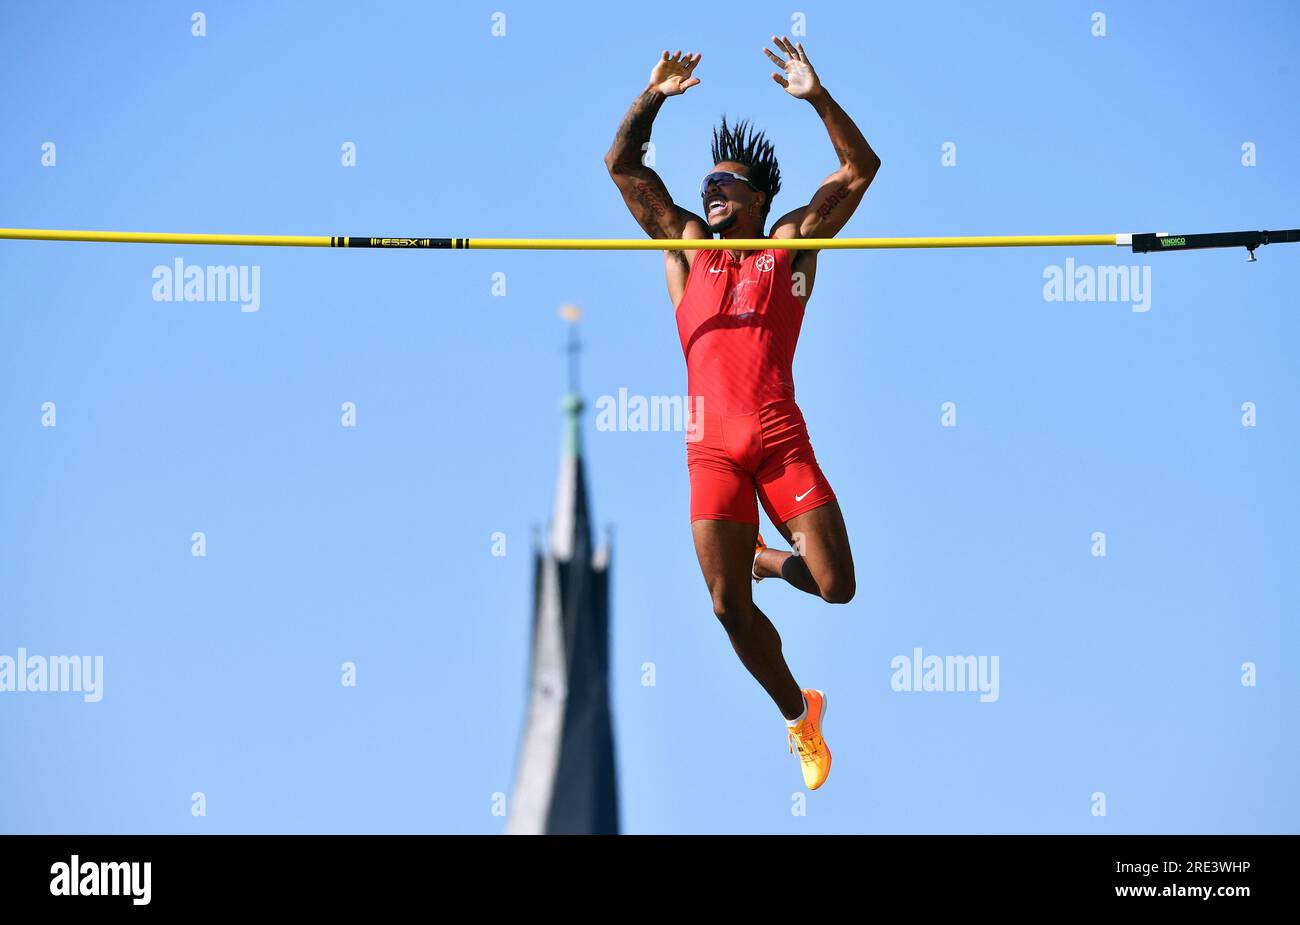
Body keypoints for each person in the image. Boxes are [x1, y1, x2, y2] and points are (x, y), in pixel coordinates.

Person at [604, 38, 881, 790]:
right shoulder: (689, 247)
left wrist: (817, 96)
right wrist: (651, 95)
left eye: (728, 181)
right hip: (714, 451)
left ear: (759, 197)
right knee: (727, 607)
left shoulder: (789, 243)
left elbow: (860, 171)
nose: (712, 187)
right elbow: (624, 167)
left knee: (836, 586)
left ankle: (765, 555)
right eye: (708, 180)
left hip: (781, 441)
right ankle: (799, 714)